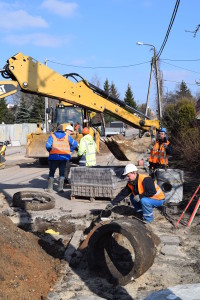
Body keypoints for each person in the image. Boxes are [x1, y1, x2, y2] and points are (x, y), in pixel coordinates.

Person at [46, 124, 78, 193]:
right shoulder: (67, 136)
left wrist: (51, 151)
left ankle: (50, 189)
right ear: (63, 129)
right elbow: (75, 144)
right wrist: (70, 150)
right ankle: (60, 189)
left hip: (53, 157)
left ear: (56, 129)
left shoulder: (52, 135)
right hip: (64, 158)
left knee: (51, 172)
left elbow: (48, 146)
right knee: (62, 173)